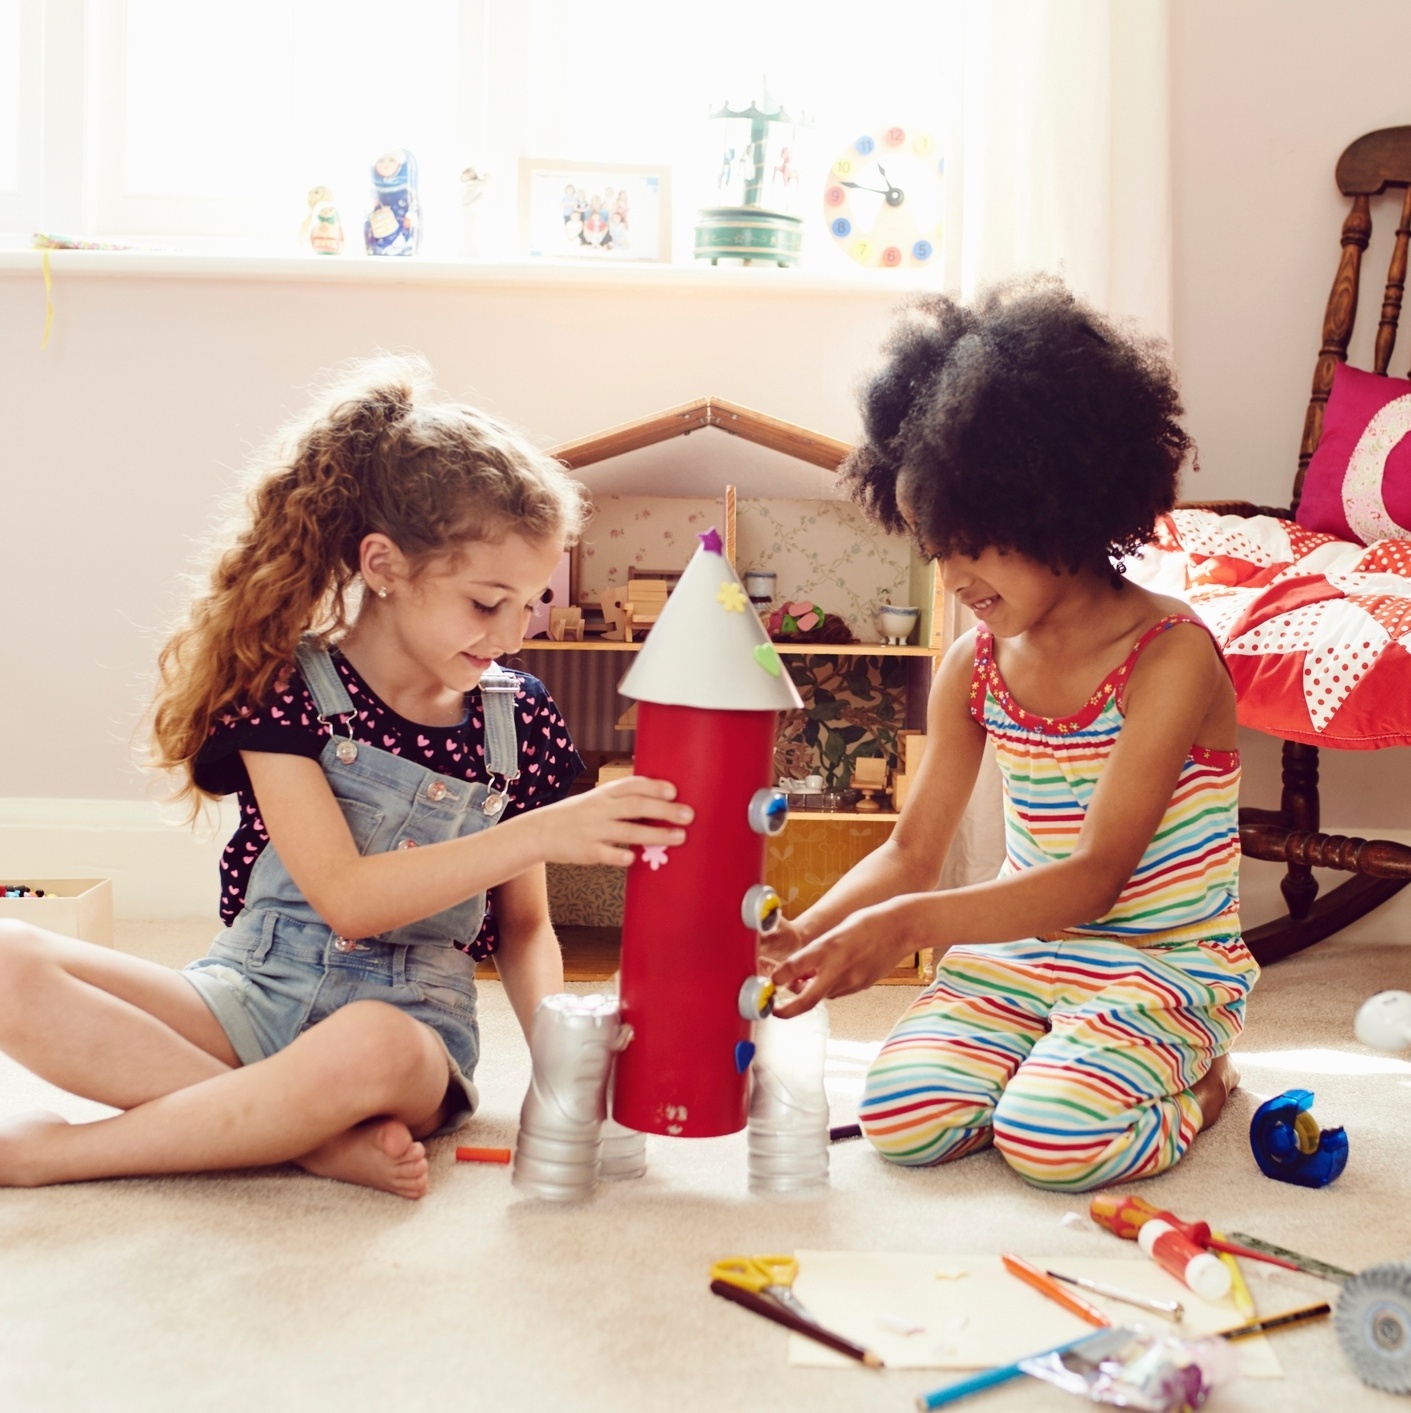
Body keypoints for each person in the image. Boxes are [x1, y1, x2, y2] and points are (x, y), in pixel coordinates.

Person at [0, 357, 691, 1198]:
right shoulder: (285, 687)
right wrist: (544, 827)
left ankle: (56, 1155)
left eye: (529, 601)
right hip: (251, 991)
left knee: (369, 1042)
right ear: (384, 564)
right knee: (8, 957)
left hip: (406, 1030)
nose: (512, 631)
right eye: (484, 602)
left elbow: (521, 930)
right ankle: (304, 1137)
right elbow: (346, 897)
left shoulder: (518, 718)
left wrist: (561, 1070)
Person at [767, 278, 1256, 1192]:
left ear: (1057, 504)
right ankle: (1051, 1056)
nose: (951, 575)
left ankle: (1206, 1082)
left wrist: (905, 927)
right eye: (933, 547)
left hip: (1161, 962)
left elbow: (1093, 879)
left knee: (1054, 1143)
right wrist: (807, 931)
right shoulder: (976, 664)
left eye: (972, 542)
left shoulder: (1169, 656)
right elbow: (912, 850)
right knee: (902, 1120)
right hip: (1025, 952)